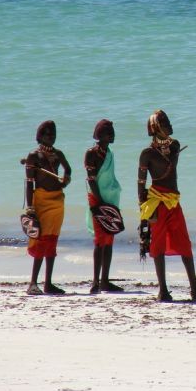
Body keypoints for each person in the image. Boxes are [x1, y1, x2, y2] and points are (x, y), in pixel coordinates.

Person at [137, 110, 196, 302]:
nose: (170, 125)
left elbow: (170, 162)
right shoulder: (147, 154)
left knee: (184, 244)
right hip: (157, 203)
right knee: (157, 246)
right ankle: (163, 291)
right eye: (165, 123)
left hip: (173, 201)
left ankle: (194, 288)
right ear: (156, 128)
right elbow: (140, 185)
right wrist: (145, 213)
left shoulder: (175, 145)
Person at [23, 120, 72, 295]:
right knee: (41, 240)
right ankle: (33, 283)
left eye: (53, 134)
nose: (51, 137)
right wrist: (30, 208)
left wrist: (66, 179)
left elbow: (68, 169)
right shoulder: (33, 156)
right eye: (47, 134)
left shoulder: (58, 154)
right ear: (40, 136)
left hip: (57, 201)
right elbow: (29, 184)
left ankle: (48, 283)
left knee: (52, 240)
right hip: (42, 202)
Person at [85, 119, 124, 294]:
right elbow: (91, 180)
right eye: (108, 132)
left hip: (111, 200)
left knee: (109, 240)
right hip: (98, 199)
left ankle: (105, 281)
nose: (112, 135)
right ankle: (95, 281)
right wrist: (99, 203)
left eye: (112, 132)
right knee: (100, 241)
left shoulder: (109, 153)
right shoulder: (91, 153)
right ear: (99, 135)